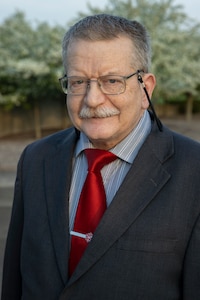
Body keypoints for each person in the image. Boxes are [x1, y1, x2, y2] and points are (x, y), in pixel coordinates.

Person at [1, 14, 200, 300]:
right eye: (79, 81)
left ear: (146, 89)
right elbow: (14, 282)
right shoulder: (35, 159)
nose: (92, 99)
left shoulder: (194, 171)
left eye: (112, 81)